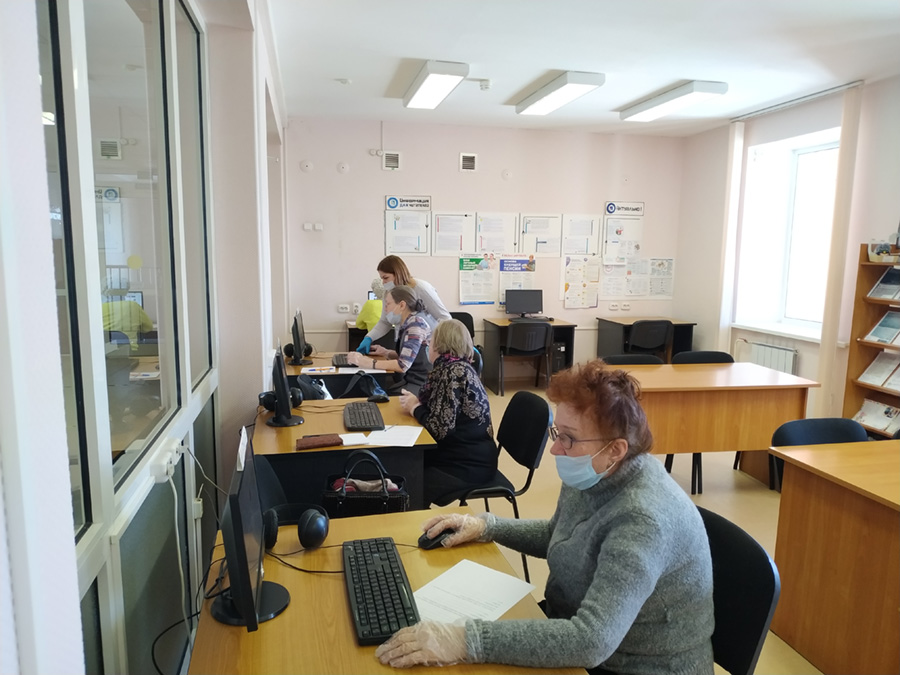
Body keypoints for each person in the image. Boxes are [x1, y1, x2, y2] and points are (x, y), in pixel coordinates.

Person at [376, 360, 715, 674]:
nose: (555, 448)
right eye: (557, 433)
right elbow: (558, 534)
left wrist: (467, 640)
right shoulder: (595, 471)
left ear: (616, 449)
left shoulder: (643, 520)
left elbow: (591, 641)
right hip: (574, 627)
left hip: (636, 665)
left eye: (569, 438)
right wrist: (486, 526)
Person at [397, 319, 497, 506]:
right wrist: (417, 405)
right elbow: (440, 412)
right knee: (404, 465)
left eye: (431, 340)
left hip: (467, 465)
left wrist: (415, 408)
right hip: (465, 454)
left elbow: (439, 429)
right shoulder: (455, 368)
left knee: (408, 484)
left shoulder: (452, 373)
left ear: (439, 345)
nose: (428, 344)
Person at [346, 285, 432, 395]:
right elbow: (408, 356)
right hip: (411, 380)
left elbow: (403, 365)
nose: (385, 308)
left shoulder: (416, 325)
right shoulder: (407, 324)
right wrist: (385, 352)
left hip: (421, 385)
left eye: (388, 304)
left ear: (402, 305)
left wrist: (367, 362)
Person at [356, 255, 450, 354]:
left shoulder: (421, 288)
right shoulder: (388, 292)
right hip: (405, 344)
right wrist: (369, 338)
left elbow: (445, 319)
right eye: (381, 278)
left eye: (386, 278)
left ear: (398, 274)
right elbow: (385, 322)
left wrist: (435, 343)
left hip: (427, 347)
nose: (383, 282)